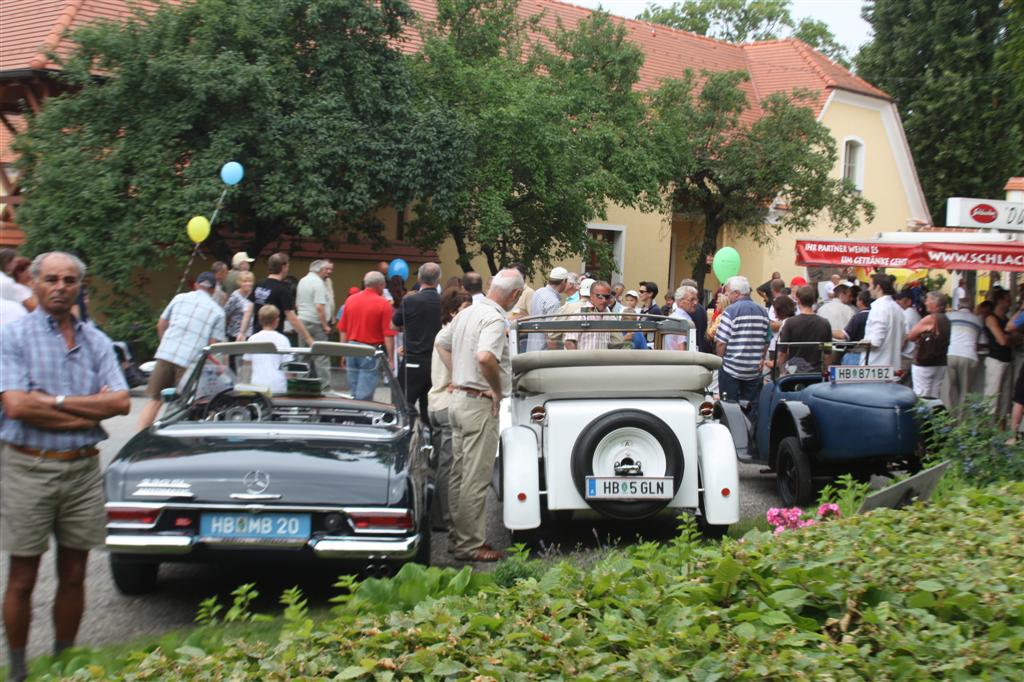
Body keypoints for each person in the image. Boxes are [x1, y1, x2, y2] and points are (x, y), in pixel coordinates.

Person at [0, 252, 130, 682]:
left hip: (81, 471)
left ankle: (63, 663)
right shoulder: (13, 335)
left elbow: (121, 402)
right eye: (51, 279)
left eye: (69, 280)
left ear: (79, 287)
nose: (60, 287)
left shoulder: (95, 340)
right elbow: (17, 406)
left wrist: (50, 401)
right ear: (35, 283)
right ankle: (18, 669)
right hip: (28, 467)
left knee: (75, 574)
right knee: (22, 576)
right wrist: (87, 413)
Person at [435, 268, 524, 562]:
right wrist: (496, 389)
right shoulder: (494, 319)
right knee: (476, 476)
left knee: (459, 475)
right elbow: (485, 356)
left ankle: (457, 537)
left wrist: (457, 374)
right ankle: (469, 544)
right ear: (514, 295)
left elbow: (441, 343)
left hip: (458, 398)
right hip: (477, 403)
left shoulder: (467, 312)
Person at [138, 271, 226, 429]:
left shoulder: (179, 298)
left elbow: (161, 324)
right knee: (184, 405)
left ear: (196, 285)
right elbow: (212, 345)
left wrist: (165, 343)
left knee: (155, 400)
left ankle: (139, 439)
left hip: (166, 354)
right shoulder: (218, 312)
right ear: (213, 290)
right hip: (190, 361)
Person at [427, 288, 472, 531]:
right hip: (446, 403)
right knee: (448, 466)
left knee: (439, 466)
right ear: (452, 312)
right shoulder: (451, 337)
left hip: (435, 402)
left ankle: (438, 516)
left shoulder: (444, 333)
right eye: (465, 310)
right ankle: (442, 518)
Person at [393, 262, 442, 420]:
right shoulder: (444, 302)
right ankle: (431, 439)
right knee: (430, 405)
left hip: (413, 359)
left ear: (420, 278)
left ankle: (409, 433)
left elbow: (394, 324)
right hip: (436, 360)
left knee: (402, 403)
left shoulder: (410, 301)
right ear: (438, 279)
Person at [337, 271, 396, 400]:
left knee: (354, 389)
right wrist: (391, 358)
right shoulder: (383, 304)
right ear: (380, 285)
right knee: (365, 392)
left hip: (351, 348)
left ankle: (354, 414)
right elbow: (388, 334)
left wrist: (343, 352)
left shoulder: (350, 300)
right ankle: (363, 415)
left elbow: (343, 329)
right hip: (370, 350)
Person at [715, 276, 770, 413]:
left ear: (737, 293)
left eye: (728, 292)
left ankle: (732, 433)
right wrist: (761, 359)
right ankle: (749, 433)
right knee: (750, 409)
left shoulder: (731, 311)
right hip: (753, 370)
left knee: (729, 410)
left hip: (731, 369)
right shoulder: (763, 312)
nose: (726, 295)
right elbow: (766, 340)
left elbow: (721, 342)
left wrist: (719, 361)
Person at [248, 253, 313, 345]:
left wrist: (242, 332)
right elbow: (292, 317)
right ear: (283, 267)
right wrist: (308, 338)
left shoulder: (259, 284)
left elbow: (248, 310)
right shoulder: (283, 289)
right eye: (287, 266)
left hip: (256, 335)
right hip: (274, 339)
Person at [777, 285, 832, 373]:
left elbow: (782, 353)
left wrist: (782, 372)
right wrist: (826, 372)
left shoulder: (790, 323)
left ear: (798, 300)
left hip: (794, 372)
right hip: (815, 372)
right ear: (814, 300)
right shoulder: (825, 323)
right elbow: (827, 354)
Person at [906, 292, 951, 398]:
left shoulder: (931, 319)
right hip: (940, 362)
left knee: (921, 394)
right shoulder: (946, 319)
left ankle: (922, 414)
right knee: (934, 395)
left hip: (925, 361)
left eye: (927, 300)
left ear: (935, 303)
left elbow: (911, 336)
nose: (925, 302)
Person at [942, 298, 983, 413]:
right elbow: (979, 343)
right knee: (965, 392)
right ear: (972, 308)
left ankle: (948, 420)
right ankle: (962, 422)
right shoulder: (978, 320)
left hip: (951, 353)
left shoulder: (949, 316)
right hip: (969, 356)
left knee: (949, 390)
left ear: (958, 306)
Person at [296, 259, 334, 378]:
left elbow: (297, 303)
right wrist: (325, 325)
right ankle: (325, 386)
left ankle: (300, 383)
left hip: (302, 321)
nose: (327, 272)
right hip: (315, 323)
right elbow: (319, 307)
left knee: (303, 355)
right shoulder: (318, 283)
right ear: (321, 270)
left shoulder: (302, 281)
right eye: (325, 269)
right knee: (321, 356)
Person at [244, 305, 292, 393]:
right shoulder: (283, 340)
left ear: (259, 320)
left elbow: (247, 365)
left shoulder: (252, 339)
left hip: (256, 386)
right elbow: (288, 367)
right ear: (276, 320)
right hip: (278, 387)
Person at [861, 273, 905, 368]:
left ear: (878, 287)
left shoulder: (878, 308)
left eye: (870, 285)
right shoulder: (898, 309)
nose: (869, 289)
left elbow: (874, 342)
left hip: (875, 368)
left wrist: (856, 346)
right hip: (893, 367)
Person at [983, 289, 1012, 418]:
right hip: (996, 360)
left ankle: (1000, 427)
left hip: (1007, 360)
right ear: (1000, 300)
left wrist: (1009, 338)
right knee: (992, 398)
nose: (1010, 303)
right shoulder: (991, 318)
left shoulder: (1006, 319)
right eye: (1008, 300)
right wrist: (1010, 338)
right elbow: (1002, 340)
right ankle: (987, 429)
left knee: (1005, 399)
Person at [565, 280, 615, 350]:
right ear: (591, 296)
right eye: (600, 296)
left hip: (603, 359)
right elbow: (569, 342)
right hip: (585, 360)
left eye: (607, 297)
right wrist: (576, 360)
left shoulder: (608, 315)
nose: (604, 300)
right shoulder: (581, 314)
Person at [835, 290, 873, 365]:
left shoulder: (858, 317)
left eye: (857, 299)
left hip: (855, 355)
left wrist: (829, 331)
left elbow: (844, 335)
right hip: (872, 355)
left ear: (861, 302)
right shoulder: (876, 315)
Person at [665, 285, 699, 351]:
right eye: (692, 299)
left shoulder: (671, 317)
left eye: (696, 299)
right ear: (680, 302)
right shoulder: (684, 321)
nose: (695, 303)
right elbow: (681, 348)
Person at [224, 271, 255, 342]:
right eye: (245, 281)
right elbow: (226, 312)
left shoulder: (254, 294)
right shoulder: (235, 296)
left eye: (250, 281)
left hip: (251, 333)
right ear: (239, 283)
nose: (248, 284)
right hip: (235, 334)